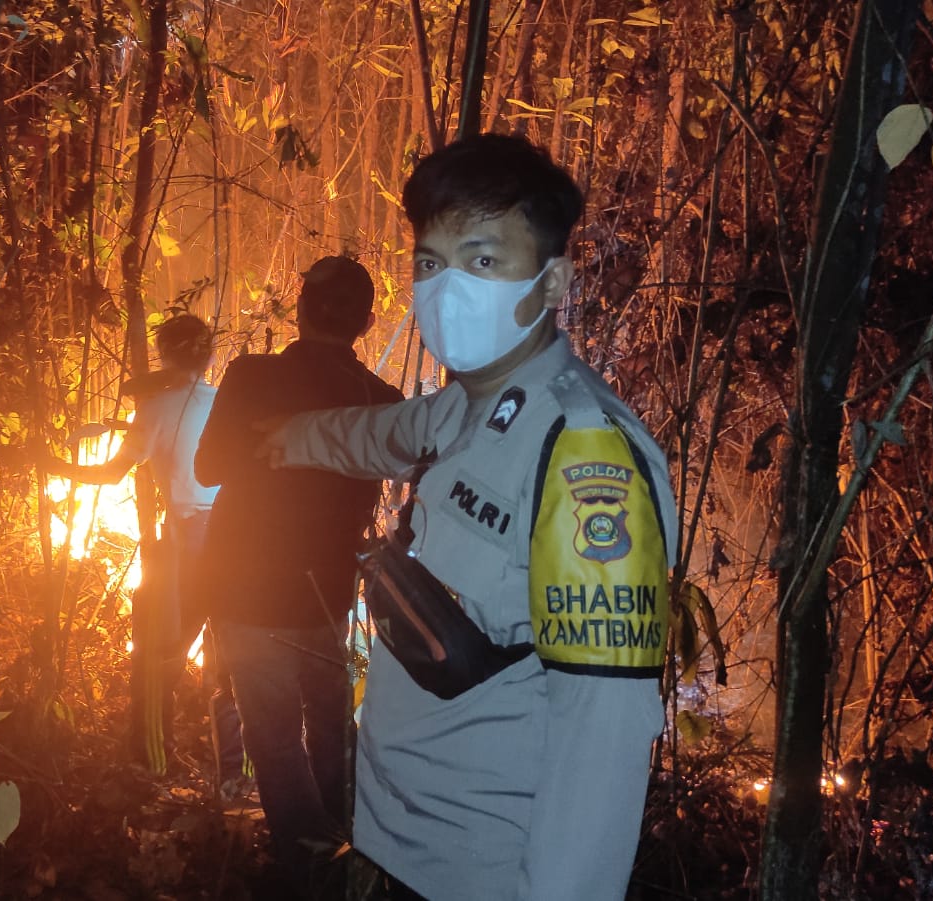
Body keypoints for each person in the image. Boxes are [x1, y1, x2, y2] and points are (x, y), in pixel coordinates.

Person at [261, 134, 677, 900]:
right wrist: (285, 440)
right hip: (389, 844)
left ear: (553, 283)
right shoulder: (463, 408)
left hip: (475, 875)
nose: (448, 287)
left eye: (482, 260)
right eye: (431, 261)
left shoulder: (587, 461)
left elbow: (602, 736)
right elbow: (374, 435)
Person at [194, 256, 404, 896]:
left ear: (298, 308)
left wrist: (272, 443)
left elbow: (207, 468)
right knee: (331, 719)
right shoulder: (382, 400)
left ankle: (311, 865)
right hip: (326, 592)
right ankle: (349, 841)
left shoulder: (254, 376)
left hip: (247, 584)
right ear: (367, 323)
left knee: (276, 734)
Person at [44, 313, 244, 789]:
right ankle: (239, 776)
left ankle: (152, 767)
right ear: (210, 354)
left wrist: (48, 463)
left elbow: (112, 473)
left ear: (164, 355)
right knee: (231, 661)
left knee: (157, 657)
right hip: (236, 543)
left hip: (187, 546)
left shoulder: (154, 410)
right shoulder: (227, 403)